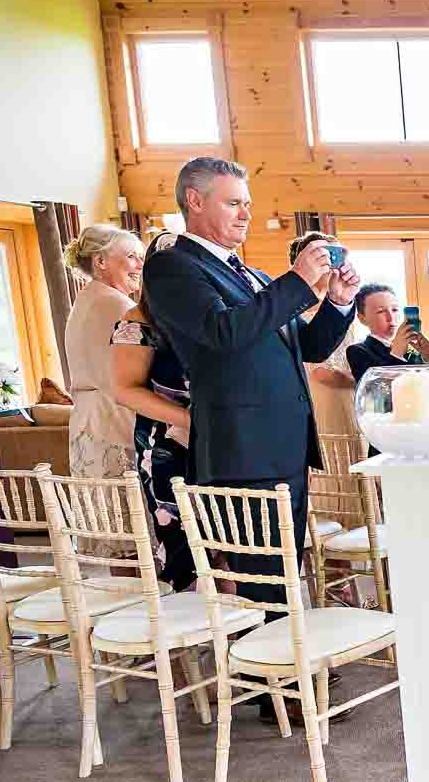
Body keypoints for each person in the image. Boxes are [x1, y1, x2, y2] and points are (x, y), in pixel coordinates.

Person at [140, 157, 359, 607]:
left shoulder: (254, 276)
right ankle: (277, 671)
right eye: (234, 203)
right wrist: (298, 281)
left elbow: (307, 348)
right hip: (241, 451)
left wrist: (337, 303)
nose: (246, 214)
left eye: (248, 204)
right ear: (195, 201)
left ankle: (285, 661)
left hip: (284, 450)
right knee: (260, 575)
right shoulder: (171, 266)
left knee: (284, 570)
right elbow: (224, 332)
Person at [111, 232, 195, 590]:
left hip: (221, 440)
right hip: (167, 444)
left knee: (227, 541)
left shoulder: (205, 312)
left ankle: (238, 631)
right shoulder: (137, 322)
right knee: (183, 544)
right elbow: (124, 390)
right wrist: (191, 421)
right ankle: (193, 636)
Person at [61, 224, 144, 485]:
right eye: (131, 256)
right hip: (113, 424)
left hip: (88, 426)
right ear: (101, 261)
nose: (140, 265)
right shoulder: (117, 303)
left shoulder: (89, 298)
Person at [345, 282, 429, 378]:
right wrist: (396, 354)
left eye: (394, 310)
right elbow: (375, 388)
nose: (391, 317)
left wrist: (427, 357)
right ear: (362, 319)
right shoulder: (357, 351)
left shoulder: (411, 348)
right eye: (381, 311)